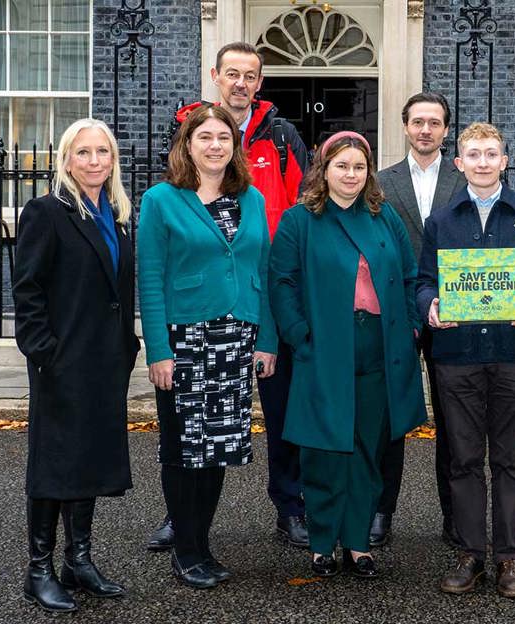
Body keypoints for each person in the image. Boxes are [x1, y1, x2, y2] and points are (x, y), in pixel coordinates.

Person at [148, 41, 311, 552]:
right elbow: (156, 265)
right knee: (184, 433)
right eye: (232, 73)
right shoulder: (179, 151)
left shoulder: (282, 138)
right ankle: (185, 525)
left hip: (262, 301)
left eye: (251, 75)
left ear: (260, 82)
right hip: (195, 320)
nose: (241, 83)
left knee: (276, 415)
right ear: (216, 76)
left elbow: (304, 205)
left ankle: (290, 507)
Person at [269, 131, 426, 579]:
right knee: (323, 449)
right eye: (342, 166)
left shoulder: (384, 216)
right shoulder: (301, 220)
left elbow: (411, 275)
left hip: (379, 346)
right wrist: (299, 336)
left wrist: (411, 327)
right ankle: (322, 543)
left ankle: (357, 542)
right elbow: (282, 282)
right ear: (324, 169)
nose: (351, 175)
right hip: (323, 350)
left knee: (366, 448)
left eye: (359, 167)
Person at [137, 104, 278, 589]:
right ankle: (186, 550)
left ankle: (203, 544)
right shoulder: (161, 199)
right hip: (186, 338)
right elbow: (150, 277)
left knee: (219, 446)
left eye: (224, 137)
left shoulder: (251, 198)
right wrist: (158, 349)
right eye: (205, 137)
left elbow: (262, 270)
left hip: (237, 337)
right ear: (188, 145)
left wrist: (267, 339)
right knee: (183, 447)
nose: (216, 145)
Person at [417, 122, 515, 598]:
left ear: (504, 161)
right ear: (458, 164)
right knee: (462, 459)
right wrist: (430, 305)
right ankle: (470, 554)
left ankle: (509, 558)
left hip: (514, 355)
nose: (481, 162)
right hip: (457, 356)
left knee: (509, 460)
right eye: (472, 155)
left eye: (490, 154)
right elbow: (422, 282)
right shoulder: (441, 222)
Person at [12, 118, 140, 613]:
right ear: (67, 159)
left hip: (105, 358)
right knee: (54, 461)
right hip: (61, 359)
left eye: (102, 152)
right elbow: (27, 288)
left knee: (87, 457)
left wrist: (126, 345)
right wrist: (43, 350)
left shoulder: (118, 212)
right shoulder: (47, 211)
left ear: (112, 160)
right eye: (83, 152)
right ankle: (38, 569)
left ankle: (78, 560)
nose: (94, 161)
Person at [374, 92, 465, 548]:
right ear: (405, 127)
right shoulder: (379, 181)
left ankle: (455, 517)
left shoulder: (467, 176)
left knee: (454, 420)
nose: (426, 130)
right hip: (399, 311)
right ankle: (380, 511)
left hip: (456, 312)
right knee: (388, 415)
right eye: (418, 122)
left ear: (446, 130)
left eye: (434, 123)